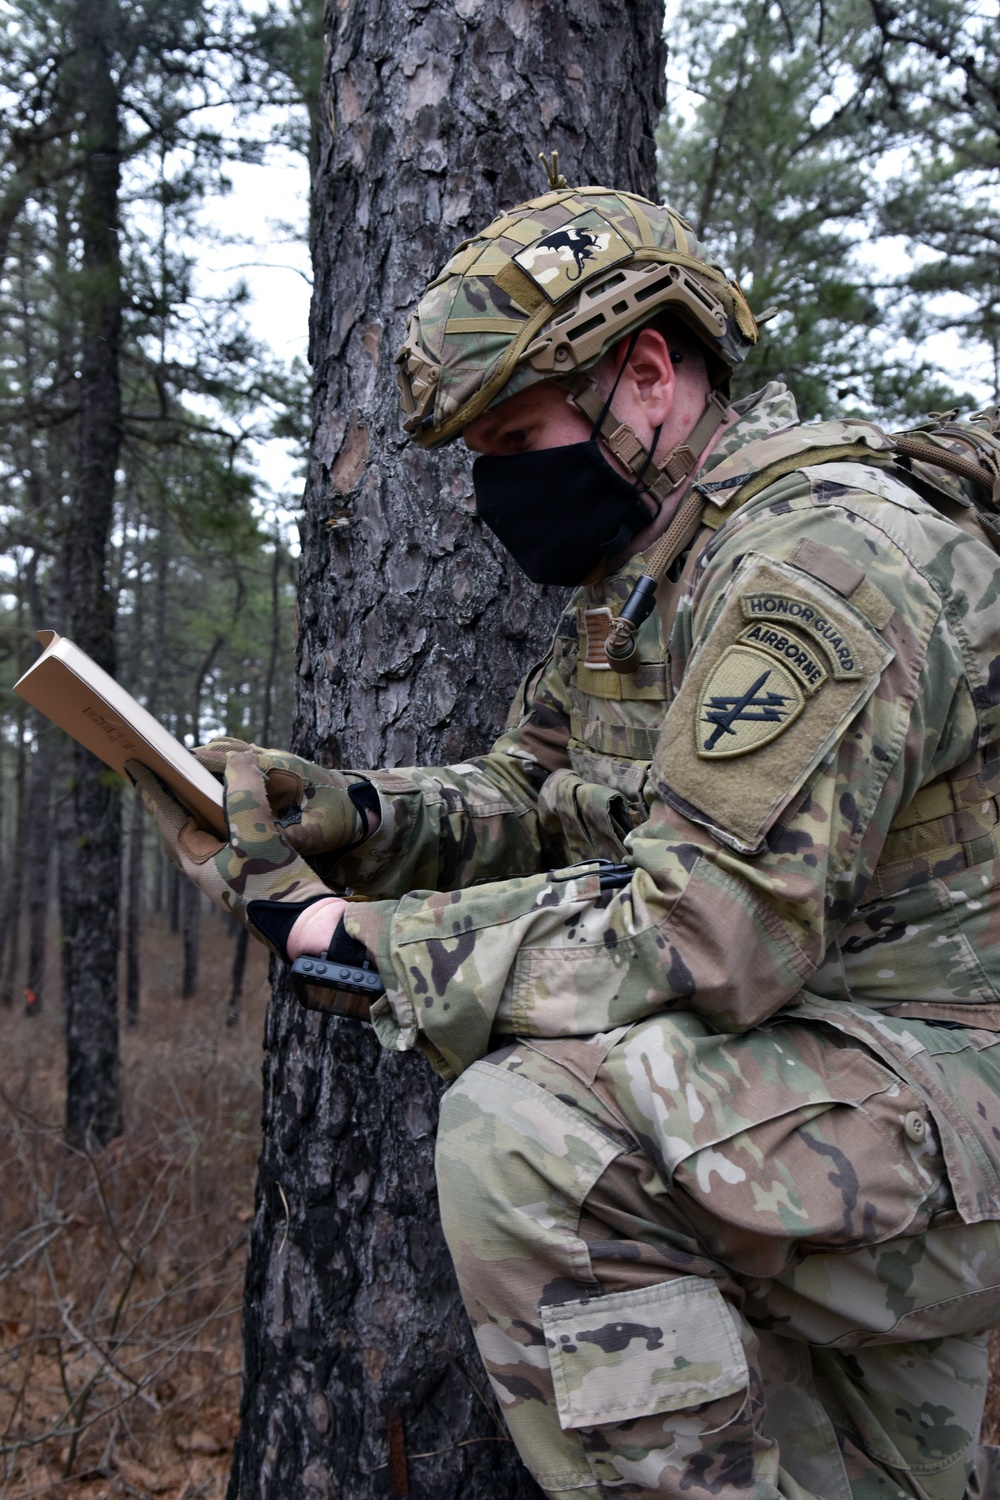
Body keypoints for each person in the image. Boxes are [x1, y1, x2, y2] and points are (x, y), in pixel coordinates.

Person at [135, 181, 1000, 1499]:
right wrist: (353, 817)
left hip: (936, 1113)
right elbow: (538, 802)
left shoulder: (822, 560)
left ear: (647, 373)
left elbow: (714, 928)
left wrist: (364, 946)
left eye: (518, 435)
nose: (501, 485)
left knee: (533, 1132)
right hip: (826, 1106)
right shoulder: (650, 584)